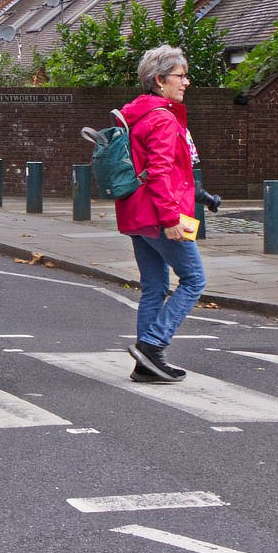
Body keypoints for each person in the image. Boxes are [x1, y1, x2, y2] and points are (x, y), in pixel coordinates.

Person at [115, 44, 208, 383]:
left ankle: (145, 366)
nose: (186, 82)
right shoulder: (163, 119)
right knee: (195, 279)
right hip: (159, 216)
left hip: (136, 214)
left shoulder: (137, 113)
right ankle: (153, 345)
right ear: (159, 80)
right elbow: (159, 172)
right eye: (180, 76)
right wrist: (170, 219)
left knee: (154, 286)